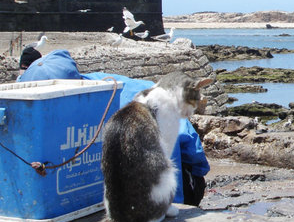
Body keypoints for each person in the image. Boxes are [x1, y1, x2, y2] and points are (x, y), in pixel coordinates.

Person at [18, 50, 210, 206]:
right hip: (164, 195)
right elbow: (189, 142)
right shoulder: (129, 88)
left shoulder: (31, 118)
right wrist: (199, 170)